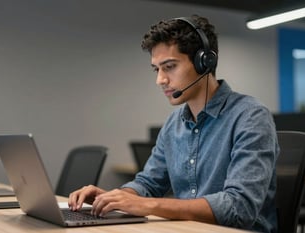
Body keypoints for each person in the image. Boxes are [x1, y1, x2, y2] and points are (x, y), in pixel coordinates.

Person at [68, 14, 279, 233]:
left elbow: (239, 208)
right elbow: (149, 183)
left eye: (169, 66)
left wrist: (148, 205)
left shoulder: (250, 116)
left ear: (204, 62)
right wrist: (115, 198)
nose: (160, 80)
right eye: (156, 69)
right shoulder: (173, 124)